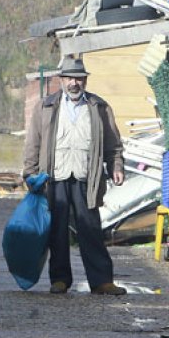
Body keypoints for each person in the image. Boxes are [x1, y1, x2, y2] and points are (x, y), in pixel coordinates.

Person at [22, 56, 127, 295]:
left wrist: (116, 167)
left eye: (79, 78)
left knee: (90, 229)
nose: (74, 83)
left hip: (85, 178)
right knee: (56, 231)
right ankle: (59, 280)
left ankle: (102, 281)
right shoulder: (46, 107)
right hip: (54, 178)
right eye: (69, 78)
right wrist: (30, 173)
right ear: (61, 80)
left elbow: (113, 145)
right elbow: (33, 143)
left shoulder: (99, 107)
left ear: (85, 81)